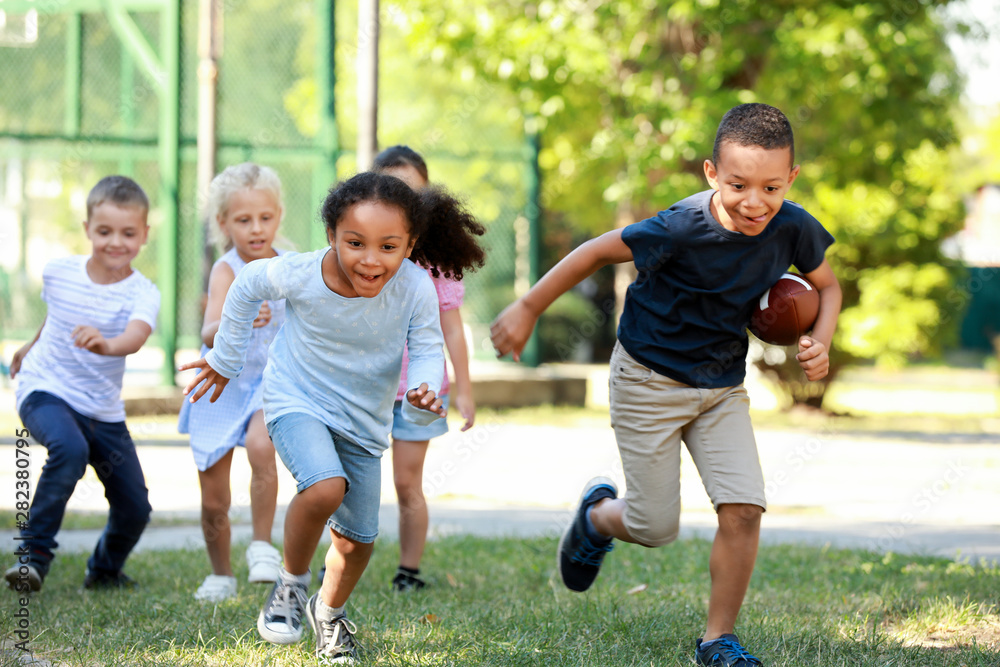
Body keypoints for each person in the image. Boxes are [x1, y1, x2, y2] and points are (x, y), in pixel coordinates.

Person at [490, 103, 842, 667]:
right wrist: (529, 306)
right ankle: (598, 515)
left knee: (745, 508)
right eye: (738, 185)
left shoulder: (792, 225)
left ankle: (716, 641)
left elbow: (828, 286)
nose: (755, 202)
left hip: (721, 388)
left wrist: (819, 339)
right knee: (655, 527)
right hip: (647, 378)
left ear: (792, 179)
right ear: (711, 174)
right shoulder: (679, 227)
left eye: (772, 187)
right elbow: (595, 251)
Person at [179, 171, 485, 664]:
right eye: (355, 243)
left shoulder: (414, 288)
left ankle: (330, 614)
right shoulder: (302, 271)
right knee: (324, 488)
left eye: (388, 246)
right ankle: (291, 585)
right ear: (331, 237)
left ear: (410, 246)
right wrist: (226, 357)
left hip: (363, 421)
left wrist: (426, 385)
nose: (370, 259)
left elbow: (427, 346)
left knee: (357, 540)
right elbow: (248, 282)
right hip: (295, 398)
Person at [4, 175, 160, 592]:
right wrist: (30, 346)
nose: (115, 242)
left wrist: (107, 345)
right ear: (88, 228)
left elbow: (137, 336)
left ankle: (105, 570)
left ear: (144, 234)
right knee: (68, 449)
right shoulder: (58, 272)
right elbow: (56, 313)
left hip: (102, 409)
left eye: (128, 233)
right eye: (105, 231)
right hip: (45, 389)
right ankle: (32, 560)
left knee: (135, 507)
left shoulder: (144, 292)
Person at [178, 163, 286, 602]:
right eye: (243, 220)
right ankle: (220, 573)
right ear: (224, 223)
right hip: (220, 384)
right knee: (214, 499)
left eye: (265, 218)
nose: (256, 229)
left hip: (268, 381)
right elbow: (208, 333)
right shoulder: (226, 269)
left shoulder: (289, 267)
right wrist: (234, 321)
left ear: (279, 215)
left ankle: (262, 546)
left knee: (263, 446)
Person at [374, 146, 476, 592]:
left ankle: (408, 572)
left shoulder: (438, 265)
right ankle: (335, 559)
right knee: (342, 479)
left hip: (420, 390)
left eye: (412, 192)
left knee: (406, 483)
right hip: (364, 388)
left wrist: (466, 390)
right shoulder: (364, 257)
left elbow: (453, 332)